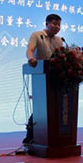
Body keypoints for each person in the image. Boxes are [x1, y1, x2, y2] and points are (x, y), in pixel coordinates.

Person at [23, 14, 64, 145]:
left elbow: (61, 57)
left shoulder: (59, 40)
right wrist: (31, 58)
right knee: (40, 108)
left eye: (59, 25)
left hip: (55, 77)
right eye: (54, 24)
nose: (57, 27)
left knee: (54, 107)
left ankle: (53, 136)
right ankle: (30, 135)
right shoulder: (37, 35)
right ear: (46, 24)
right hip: (41, 77)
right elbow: (29, 50)